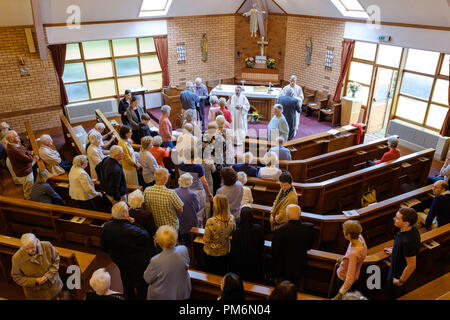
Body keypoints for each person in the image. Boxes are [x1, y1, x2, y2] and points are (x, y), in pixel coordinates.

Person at [101, 201, 151, 300]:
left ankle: (129, 297)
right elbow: (147, 237)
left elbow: (104, 247)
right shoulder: (136, 231)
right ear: (125, 214)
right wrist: (135, 223)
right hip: (137, 262)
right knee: (141, 283)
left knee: (126, 279)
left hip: (119, 260)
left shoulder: (106, 227)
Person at [272, 204, 314, 289]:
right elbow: (309, 246)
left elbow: (275, 251)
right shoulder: (309, 228)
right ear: (300, 215)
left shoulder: (279, 230)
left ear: (287, 216)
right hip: (300, 266)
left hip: (283, 268)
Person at [143, 225, 191, 300]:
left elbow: (147, 279)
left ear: (158, 242)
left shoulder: (155, 260)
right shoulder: (183, 249)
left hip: (163, 295)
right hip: (182, 291)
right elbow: (187, 265)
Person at [11, 233, 63, 300]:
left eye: (32, 247)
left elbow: (56, 260)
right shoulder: (17, 258)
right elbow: (16, 277)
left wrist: (48, 275)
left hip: (54, 286)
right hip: (36, 293)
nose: (30, 251)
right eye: (26, 249)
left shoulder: (47, 246)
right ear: (22, 247)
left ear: (37, 242)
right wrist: (34, 281)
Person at [384, 207, 420, 299]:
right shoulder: (408, 229)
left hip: (397, 272)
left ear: (406, 223)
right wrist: (394, 251)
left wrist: (401, 281)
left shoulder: (408, 241)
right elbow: (401, 245)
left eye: (397, 218)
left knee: (394, 294)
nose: (394, 219)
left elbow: (411, 265)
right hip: (395, 264)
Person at [332, 220, 368, 300]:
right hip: (354, 274)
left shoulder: (354, 254)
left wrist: (340, 293)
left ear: (348, 235)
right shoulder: (360, 237)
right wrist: (344, 260)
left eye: (344, 230)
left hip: (343, 279)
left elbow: (350, 277)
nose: (343, 231)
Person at [178, 147, 213, 227]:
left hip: (183, 190)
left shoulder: (180, 164)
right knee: (199, 212)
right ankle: (198, 229)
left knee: (185, 210)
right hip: (197, 191)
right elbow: (204, 182)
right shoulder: (198, 167)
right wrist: (209, 194)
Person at [203, 194, 236, 275]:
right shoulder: (231, 219)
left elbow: (206, 239)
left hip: (211, 253)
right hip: (225, 251)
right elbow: (232, 234)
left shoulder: (211, 221)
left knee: (210, 275)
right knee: (221, 273)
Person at [230, 207, 264, 282]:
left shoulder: (236, 233)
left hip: (240, 265)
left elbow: (233, 250)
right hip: (254, 264)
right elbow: (262, 244)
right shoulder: (258, 229)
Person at [5, 130, 38, 200]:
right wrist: (32, 156)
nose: (19, 137)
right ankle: (28, 199)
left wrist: (31, 153)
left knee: (30, 184)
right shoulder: (13, 149)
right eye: (16, 136)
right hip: (24, 171)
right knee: (29, 185)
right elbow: (28, 159)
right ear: (11, 139)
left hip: (23, 166)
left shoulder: (14, 143)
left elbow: (25, 149)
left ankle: (32, 192)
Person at [127, 189, 158, 257]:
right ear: (141, 201)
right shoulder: (147, 214)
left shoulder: (127, 213)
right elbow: (153, 231)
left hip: (132, 240)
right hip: (145, 240)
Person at [175, 173, 200, 247]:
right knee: (191, 243)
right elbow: (197, 208)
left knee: (182, 241)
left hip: (179, 220)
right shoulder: (192, 194)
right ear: (190, 182)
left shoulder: (174, 191)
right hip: (189, 221)